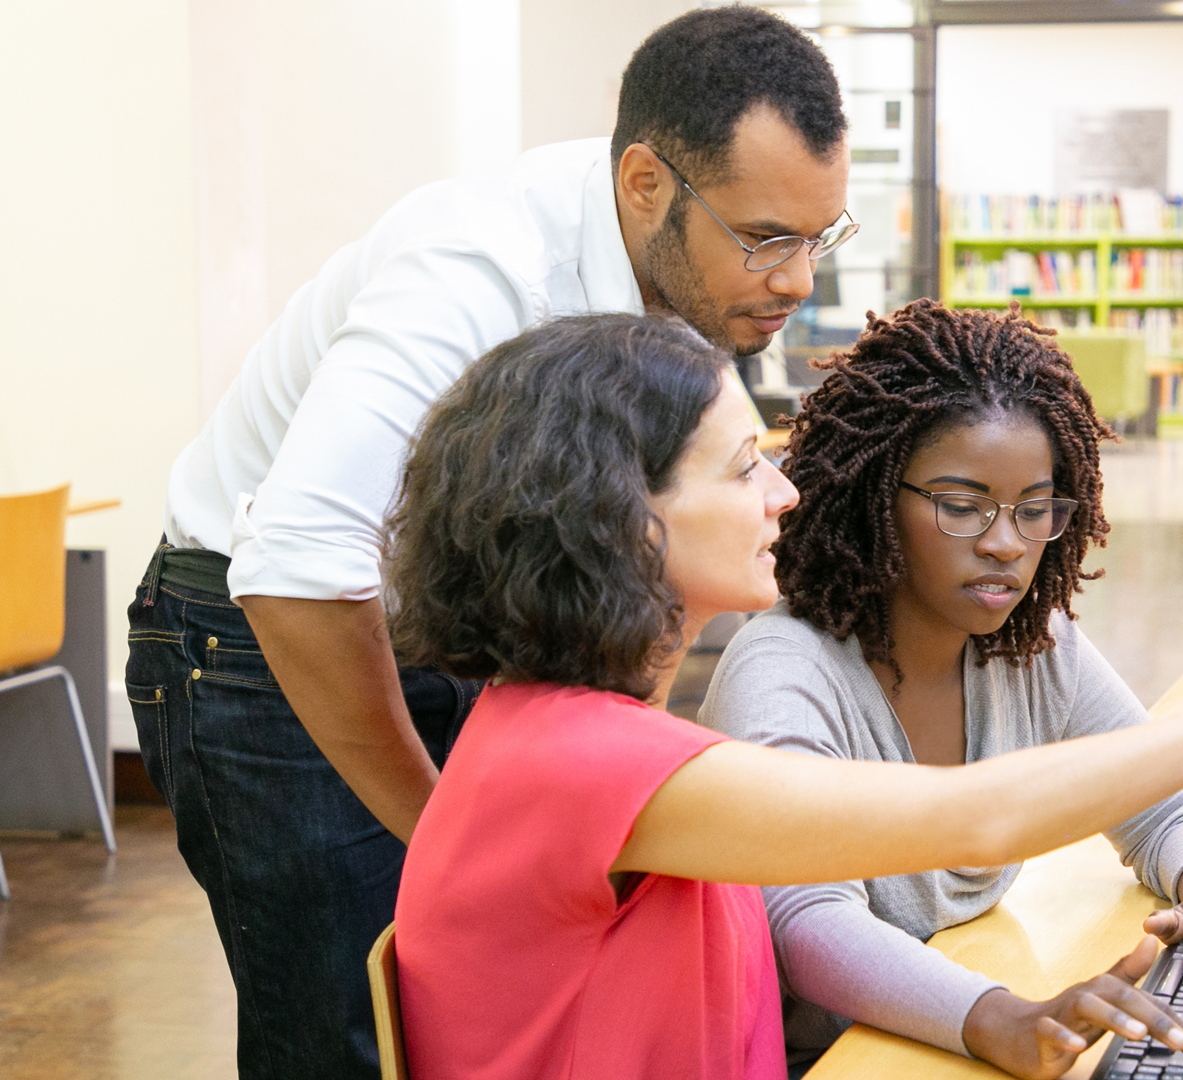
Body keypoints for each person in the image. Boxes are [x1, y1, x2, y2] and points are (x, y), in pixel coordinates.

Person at [387, 313, 1183, 1079]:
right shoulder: (590, 761)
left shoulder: (558, 731)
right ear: (625, 517)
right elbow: (976, 815)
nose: (785, 494)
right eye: (747, 468)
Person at [124, 8, 856, 1076]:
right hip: (253, 636)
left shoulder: (677, 273)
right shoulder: (481, 266)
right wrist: (449, 838)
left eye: (818, 238)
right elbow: (292, 564)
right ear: (647, 182)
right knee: (351, 1028)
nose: (796, 280)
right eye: (765, 239)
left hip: (421, 622)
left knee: (465, 1008)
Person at [696, 301, 1183, 1078]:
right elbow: (805, 919)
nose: (1005, 544)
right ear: (872, 496)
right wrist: (997, 1017)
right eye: (963, 507)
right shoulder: (784, 667)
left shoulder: (1030, 642)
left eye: (1035, 511)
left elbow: (1162, 798)